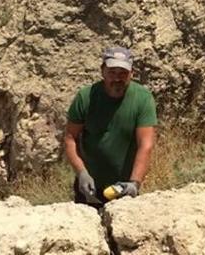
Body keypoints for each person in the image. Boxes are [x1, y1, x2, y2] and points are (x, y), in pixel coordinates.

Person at [64, 46, 157, 205]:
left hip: (124, 187)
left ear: (131, 74)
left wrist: (134, 183)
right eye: (112, 72)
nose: (117, 78)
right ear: (102, 71)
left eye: (122, 73)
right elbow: (70, 138)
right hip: (89, 186)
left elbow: (146, 144)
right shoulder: (86, 97)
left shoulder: (143, 99)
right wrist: (82, 173)